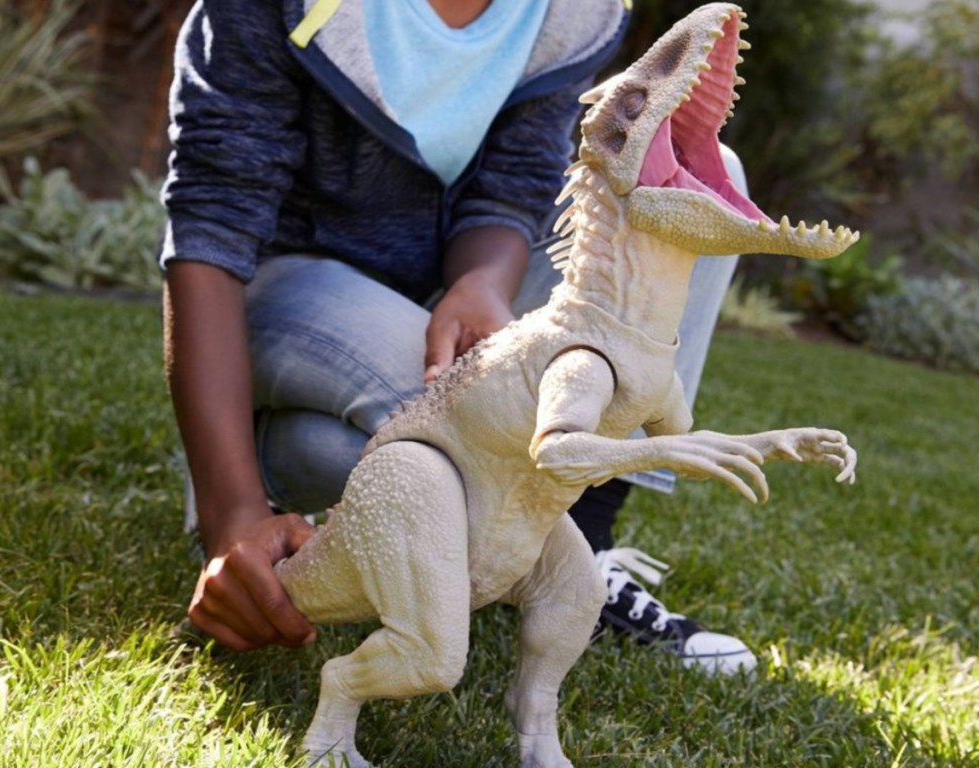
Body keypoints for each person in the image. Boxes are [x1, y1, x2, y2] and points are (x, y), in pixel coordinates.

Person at [161, 0, 755, 673]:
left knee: (696, 178)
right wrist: (229, 513)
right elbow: (212, 227)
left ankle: (582, 548)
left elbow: (511, 185)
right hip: (290, 286)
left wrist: (483, 283)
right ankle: (269, 482)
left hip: (448, 282)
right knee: (460, 435)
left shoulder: (574, 10)